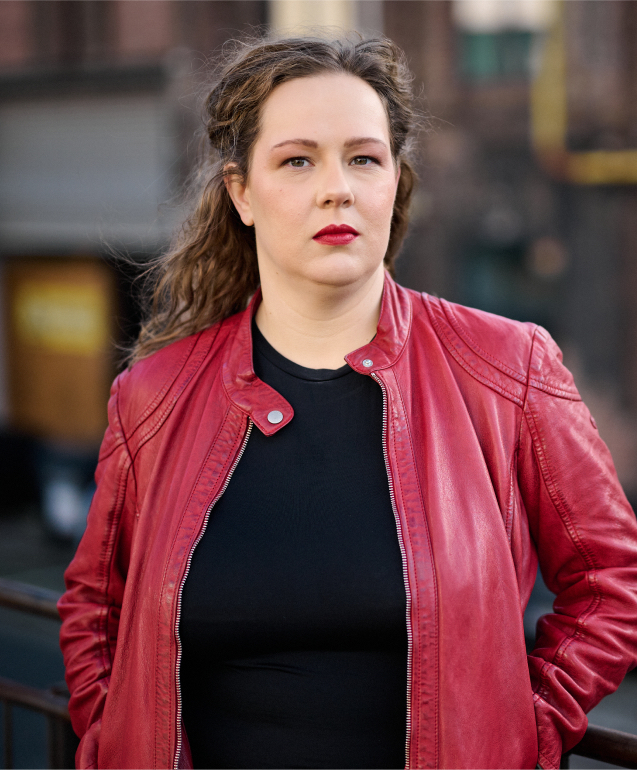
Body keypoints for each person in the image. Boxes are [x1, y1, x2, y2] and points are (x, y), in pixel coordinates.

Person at [58, 34, 637, 770]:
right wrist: (111, 743)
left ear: (395, 181)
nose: (337, 188)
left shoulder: (507, 367)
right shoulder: (153, 396)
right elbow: (94, 608)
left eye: (363, 158)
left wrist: (525, 734)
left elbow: (610, 581)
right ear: (241, 192)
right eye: (297, 161)